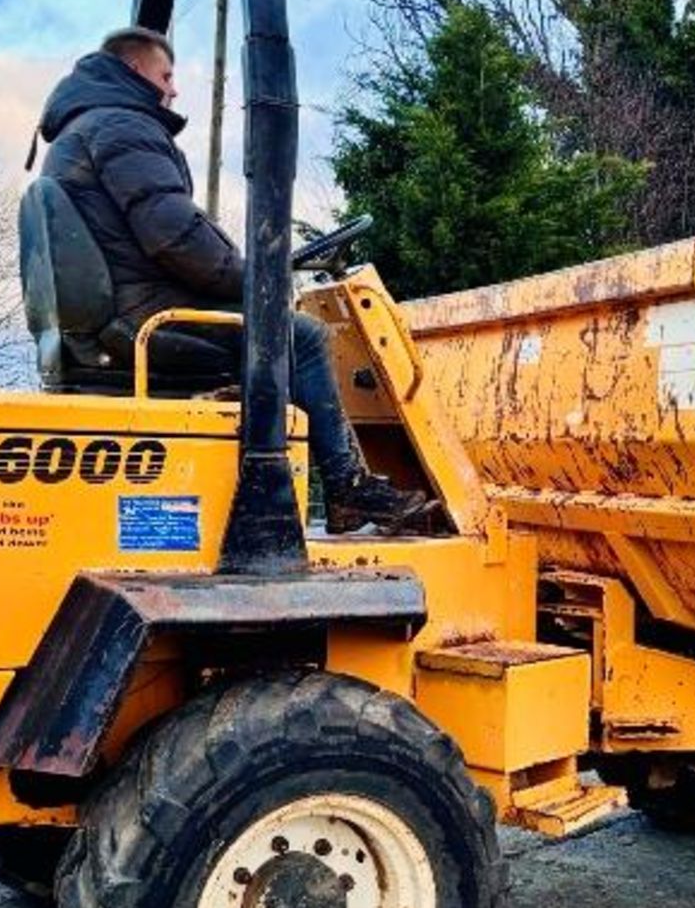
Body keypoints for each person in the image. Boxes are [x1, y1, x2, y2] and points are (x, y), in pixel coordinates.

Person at [35, 27, 433, 534]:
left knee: (278, 332)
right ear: (134, 71)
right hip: (143, 321)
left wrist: (243, 274)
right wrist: (258, 278)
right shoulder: (121, 127)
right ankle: (348, 489)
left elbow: (165, 232)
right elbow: (175, 236)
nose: (174, 90)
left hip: (120, 313)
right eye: (167, 75)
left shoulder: (84, 129)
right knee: (301, 336)